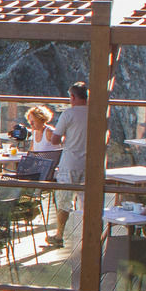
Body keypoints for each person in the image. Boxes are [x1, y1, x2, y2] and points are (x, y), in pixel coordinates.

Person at [51, 82, 90, 246]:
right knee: (87, 201)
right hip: (90, 163)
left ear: (72, 97)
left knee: (64, 200)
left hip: (70, 162)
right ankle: (87, 236)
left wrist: (65, 139)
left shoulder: (68, 114)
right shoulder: (97, 113)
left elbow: (55, 139)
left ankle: (59, 235)